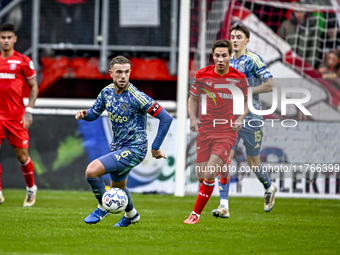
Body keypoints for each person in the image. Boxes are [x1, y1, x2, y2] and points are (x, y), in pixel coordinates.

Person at [75, 56, 172, 227]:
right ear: (111, 73)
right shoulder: (106, 92)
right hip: (118, 147)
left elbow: (166, 118)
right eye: (119, 72)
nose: (123, 76)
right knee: (118, 188)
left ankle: (102, 207)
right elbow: (94, 113)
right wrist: (85, 115)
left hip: (135, 149)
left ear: (130, 73)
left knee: (91, 171)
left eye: (126, 72)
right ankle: (131, 215)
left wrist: (155, 147)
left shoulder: (137, 97)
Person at [211, 24, 276, 219]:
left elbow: (270, 85)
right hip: (229, 118)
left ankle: (269, 187)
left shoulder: (253, 60)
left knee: (253, 162)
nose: (234, 39)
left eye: (239, 36)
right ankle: (223, 205)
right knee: (224, 160)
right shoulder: (226, 61)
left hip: (251, 118)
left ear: (247, 40)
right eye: (232, 36)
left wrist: (248, 89)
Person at [184, 39, 249, 224]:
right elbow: (193, 98)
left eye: (224, 56)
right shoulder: (202, 74)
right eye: (217, 56)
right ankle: (224, 165)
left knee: (210, 172)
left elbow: (246, 102)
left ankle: (194, 215)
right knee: (201, 175)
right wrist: (193, 118)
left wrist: (240, 119)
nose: (220, 59)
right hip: (205, 131)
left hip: (227, 132)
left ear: (230, 56)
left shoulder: (239, 77)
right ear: (213, 56)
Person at [0, 23, 39, 206]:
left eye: (9, 37)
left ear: (14, 39)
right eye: (3, 37)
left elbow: (33, 87)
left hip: (16, 116)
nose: (6, 41)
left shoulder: (23, 61)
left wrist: (29, 111)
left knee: (22, 156)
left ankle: (31, 188)